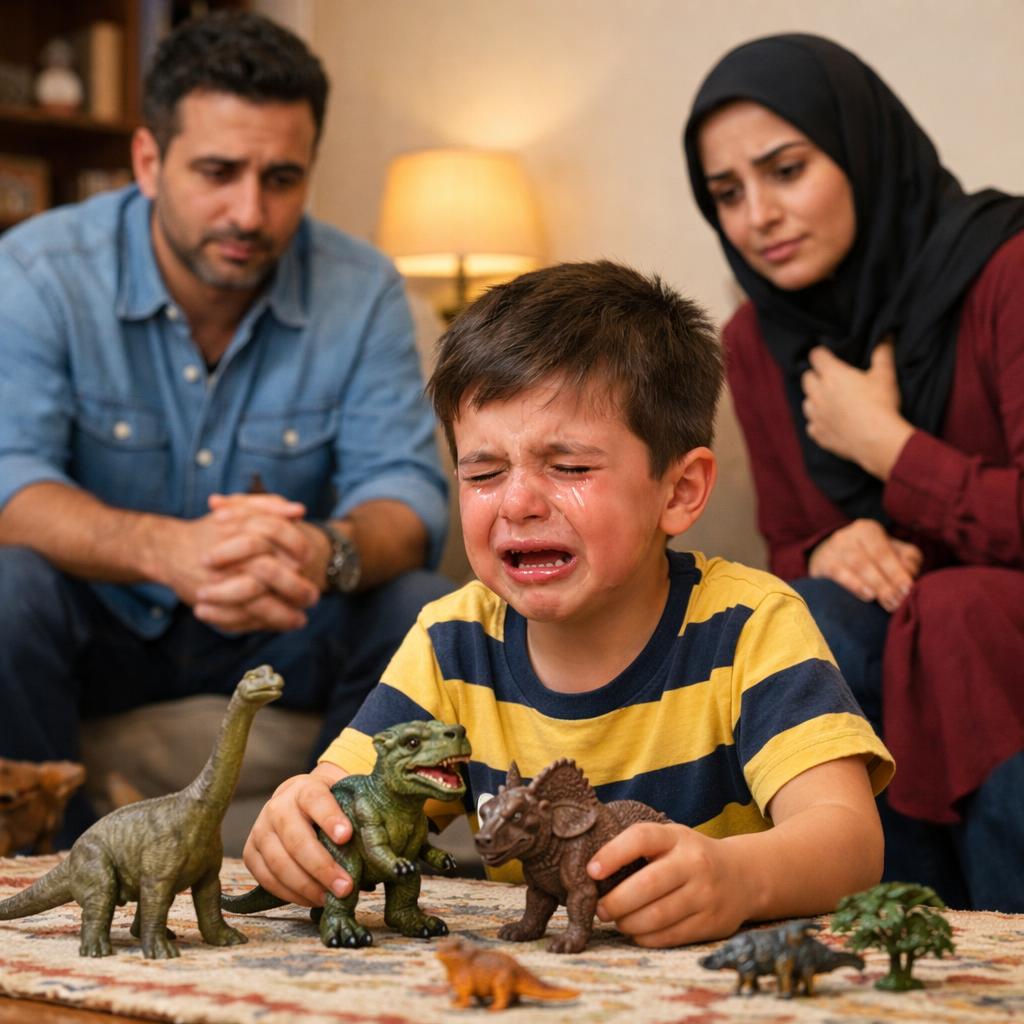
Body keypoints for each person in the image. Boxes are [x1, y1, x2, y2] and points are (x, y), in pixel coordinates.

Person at [240, 260, 894, 948]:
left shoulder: (751, 626)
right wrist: (299, 823)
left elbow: (849, 840)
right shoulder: (452, 640)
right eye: (484, 472)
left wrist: (739, 877)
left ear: (679, 491)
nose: (519, 502)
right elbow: (342, 794)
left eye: (570, 467)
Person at [0, 12, 452, 843]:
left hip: (285, 624)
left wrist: (325, 549)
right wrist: (165, 550)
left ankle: (329, 845)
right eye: (218, 171)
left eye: (281, 178)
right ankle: (59, 856)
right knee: (8, 587)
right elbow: (10, 486)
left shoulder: (364, 290)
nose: (250, 211)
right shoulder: (36, 274)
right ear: (148, 160)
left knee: (418, 602)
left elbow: (408, 494)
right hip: (102, 624)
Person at [683, 33, 1024, 911]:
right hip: (903, 630)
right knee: (813, 619)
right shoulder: (756, 343)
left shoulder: (1007, 269)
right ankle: (876, 945)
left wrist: (890, 452)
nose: (759, 215)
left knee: (954, 614)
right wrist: (833, 546)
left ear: (861, 150)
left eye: (786, 169)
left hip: (990, 628)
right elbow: (791, 543)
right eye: (728, 192)